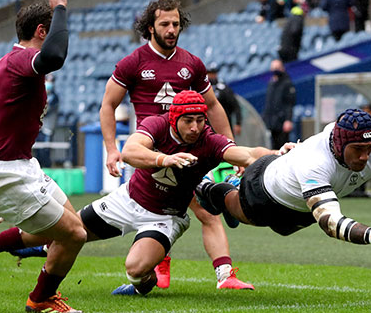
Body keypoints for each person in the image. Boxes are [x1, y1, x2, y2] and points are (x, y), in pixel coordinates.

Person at [98, 0, 252, 290]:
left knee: (203, 211)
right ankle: (159, 266)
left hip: (191, 150)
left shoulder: (191, 64)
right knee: (163, 212)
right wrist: (111, 149)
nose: (171, 29)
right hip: (152, 154)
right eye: (165, 24)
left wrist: (229, 146)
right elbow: (108, 105)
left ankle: (223, 275)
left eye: (176, 24)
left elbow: (214, 106)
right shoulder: (133, 63)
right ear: (150, 28)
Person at [0, 0, 87, 313]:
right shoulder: (20, 62)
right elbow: (55, 55)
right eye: (54, 29)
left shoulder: (6, 63)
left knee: (71, 227)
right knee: (74, 235)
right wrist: (60, 7)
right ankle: (40, 298)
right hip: (5, 172)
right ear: (41, 30)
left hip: (15, 167)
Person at [87, 91, 277, 295]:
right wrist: (164, 159)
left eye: (200, 120)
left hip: (165, 216)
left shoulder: (209, 140)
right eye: (188, 121)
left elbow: (249, 154)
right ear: (174, 118)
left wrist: (279, 154)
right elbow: (130, 151)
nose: (195, 127)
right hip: (127, 199)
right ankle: (48, 292)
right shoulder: (157, 125)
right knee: (69, 233)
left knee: (136, 269)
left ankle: (147, 281)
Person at [195, 109, 371, 259]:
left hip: (303, 207)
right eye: (358, 149)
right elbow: (330, 224)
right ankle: (212, 188)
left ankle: (228, 189)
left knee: (283, 230)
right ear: (339, 145)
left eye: (369, 148)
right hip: (266, 190)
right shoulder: (315, 160)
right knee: (241, 212)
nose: (365, 156)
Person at [262, 60, 296, 149]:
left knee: (283, 147)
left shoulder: (287, 83)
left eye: (277, 68)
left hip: (282, 121)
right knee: (273, 147)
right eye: (273, 68)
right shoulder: (271, 83)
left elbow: (290, 103)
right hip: (272, 122)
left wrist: (288, 119)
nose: (275, 70)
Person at [207, 64, 242, 137]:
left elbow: (235, 105)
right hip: (209, 125)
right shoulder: (203, 89)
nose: (211, 76)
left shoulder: (224, 88)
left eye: (213, 73)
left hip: (225, 123)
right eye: (209, 73)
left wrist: (238, 122)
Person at [34, 73, 59, 168]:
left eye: (51, 81)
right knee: (37, 152)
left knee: (45, 151)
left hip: (48, 129)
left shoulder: (54, 98)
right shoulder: (39, 94)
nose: (49, 83)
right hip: (38, 128)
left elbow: (44, 110)